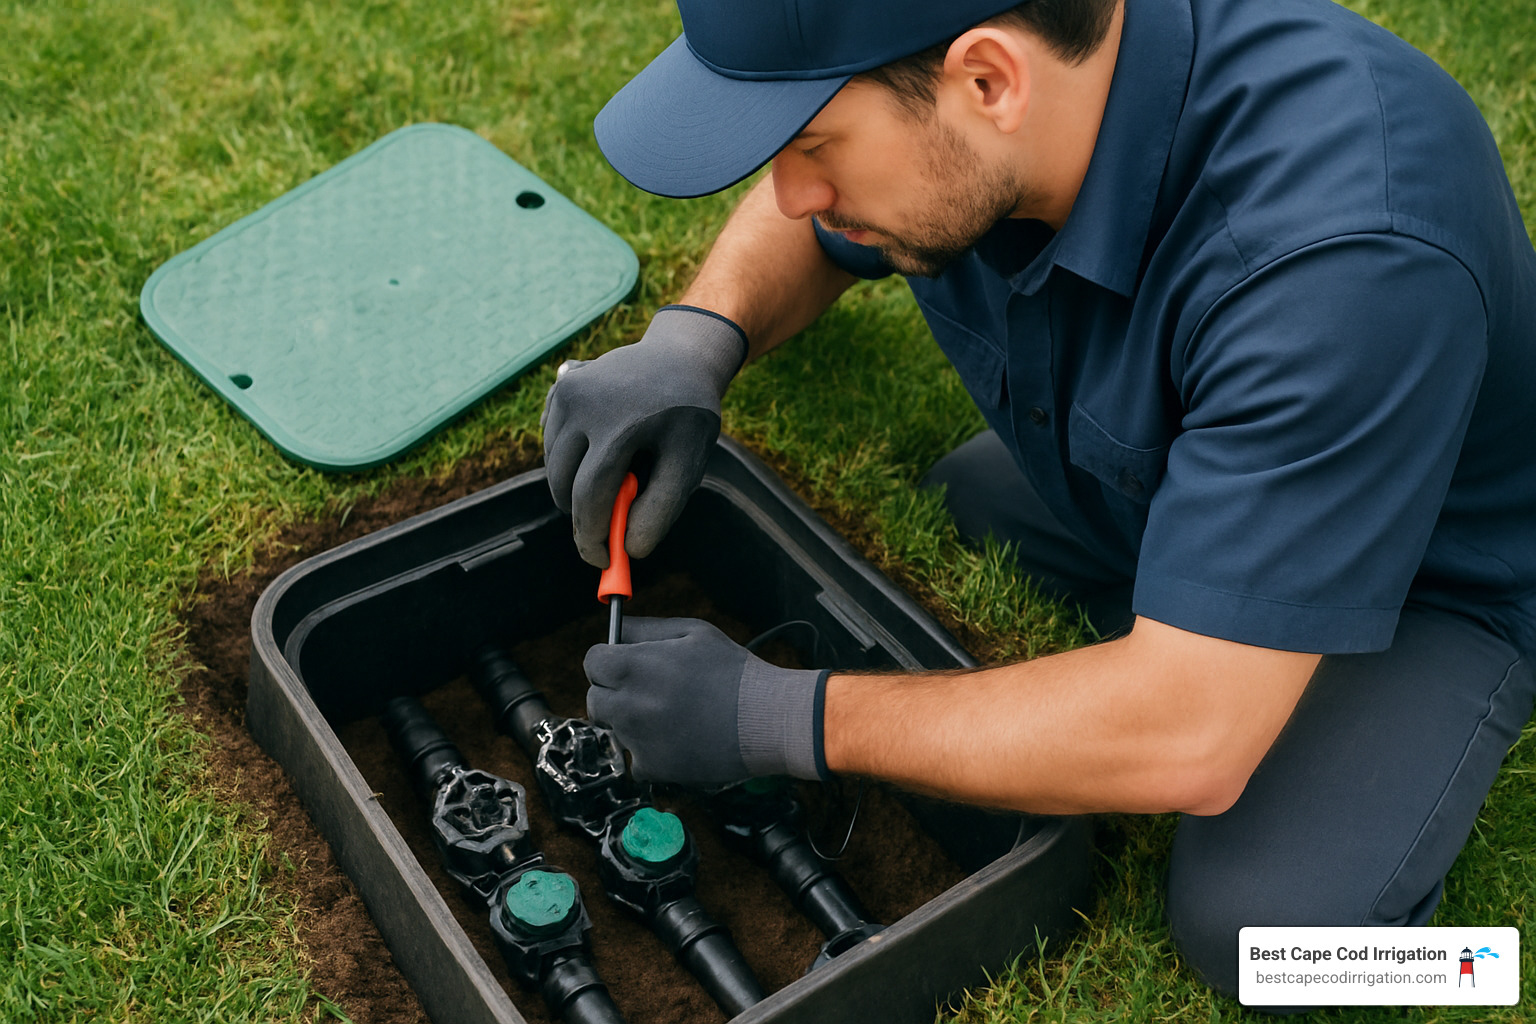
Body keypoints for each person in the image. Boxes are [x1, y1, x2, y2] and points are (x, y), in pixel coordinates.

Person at [539, 0, 1536, 997]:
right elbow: (808, 221)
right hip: (1180, 468)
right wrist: (696, 340)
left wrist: (782, 715)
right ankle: (1198, 593)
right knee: (964, 509)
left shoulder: (1343, 260)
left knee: (1261, 938)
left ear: (989, 80)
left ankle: (1488, 965)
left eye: (812, 144)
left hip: (1431, 581)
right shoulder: (991, 121)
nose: (792, 192)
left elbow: (1190, 739)